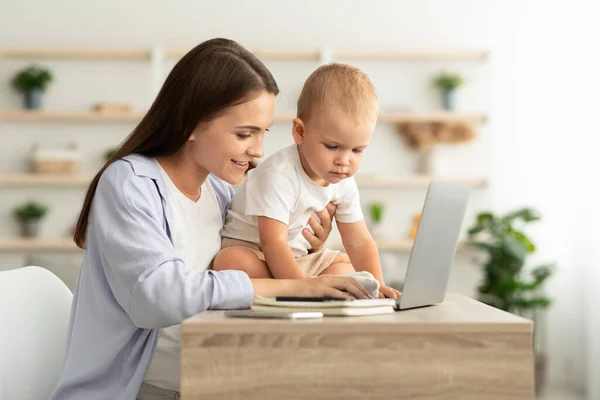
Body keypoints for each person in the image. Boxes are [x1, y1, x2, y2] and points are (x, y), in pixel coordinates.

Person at [49, 38, 370, 400]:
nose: (259, 151)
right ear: (191, 123)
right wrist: (291, 287)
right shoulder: (131, 183)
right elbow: (159, 297)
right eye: (244, 134)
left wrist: (305, 247)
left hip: (212, 384)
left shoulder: (220, 192)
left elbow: (256, 257)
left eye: (263, 133)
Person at [213, 63, 401, 299]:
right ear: (300, 132)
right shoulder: (278, 174)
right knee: (230, 262)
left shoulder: (343, 181)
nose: (344, 161)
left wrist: (379, 285)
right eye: (332, 146)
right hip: (257, 253)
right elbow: (273, 243)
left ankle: (313, 289)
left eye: (357, 150)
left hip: (299, 259)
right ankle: (302, 293)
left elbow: (360, 241)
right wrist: (302, 289)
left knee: (344, 266)